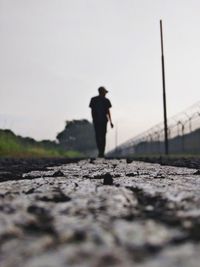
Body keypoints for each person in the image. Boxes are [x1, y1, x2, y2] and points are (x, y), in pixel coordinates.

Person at [89, 86, 114, 157]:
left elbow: (92, 111)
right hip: (101, 121)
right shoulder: (105, 100)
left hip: (99, 121)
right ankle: (101, 151)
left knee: (99, 136)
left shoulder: (94, 99)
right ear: (102, 92)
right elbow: (108, 112)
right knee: (102, 136)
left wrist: (110, 121)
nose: (105, 94)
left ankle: (101, 152)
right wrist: (111, 122)